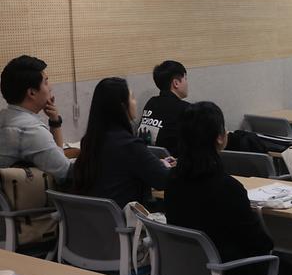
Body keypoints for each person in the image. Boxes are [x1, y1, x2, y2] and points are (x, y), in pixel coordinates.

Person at [164, 101, 292, 275]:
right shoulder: (228, 188)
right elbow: (260, 245)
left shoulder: (172, 182)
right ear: (220, 138)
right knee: (280, 267)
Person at [72, 77, 171, 208]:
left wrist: (156, 164)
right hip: (127, 221)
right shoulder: (130, 145)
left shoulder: (90, 141)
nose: (135, 102)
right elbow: (164, 180)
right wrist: (166, 167)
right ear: (123, 106)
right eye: (133, 98)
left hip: (96, 222)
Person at [0, 55, 72, 183]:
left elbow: (57, 157)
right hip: (29, 201)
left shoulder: (5, 117)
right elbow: (65, 173)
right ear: (32, 93)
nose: (50, 87)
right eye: (46, 82)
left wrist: (55, 123)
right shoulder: (31, 130)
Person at [137, 60, 190, 156]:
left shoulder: (151, 102)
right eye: (185, 79)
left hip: (147, 160)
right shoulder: (186, 109)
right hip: (173, 164)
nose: (187, 83)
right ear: (176, 83)